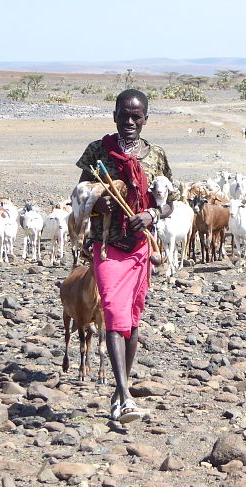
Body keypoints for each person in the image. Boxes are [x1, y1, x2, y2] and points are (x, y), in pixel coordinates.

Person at [76, 89, 173, 424]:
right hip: (107, 246)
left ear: (146, 118)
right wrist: (97, 202)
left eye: (137, 116)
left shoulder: (156, 156)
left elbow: (169, 202)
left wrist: (152, 217)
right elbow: (81, 194)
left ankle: (120, 394)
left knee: (132, 322)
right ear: (114, 114)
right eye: (124, 115)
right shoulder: (98, 152)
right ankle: (127, 396)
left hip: (140, 249)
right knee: (115, 315)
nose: (129, 122)